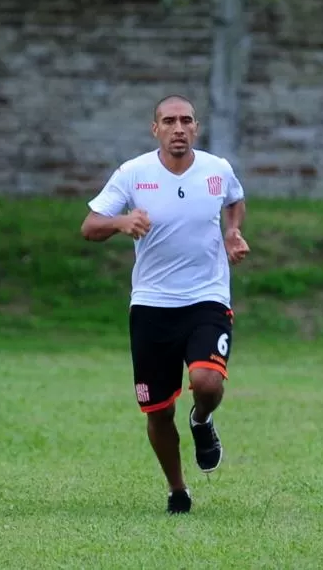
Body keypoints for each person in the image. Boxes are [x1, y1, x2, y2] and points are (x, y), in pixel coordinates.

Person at [81, 94, 250, 515]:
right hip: (152, 306)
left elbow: (234, 200)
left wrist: (233, 233)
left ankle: (202, 421)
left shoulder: (217, 170)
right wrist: (121, 222)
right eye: (169, 121)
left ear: (196, 128)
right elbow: (89, 225)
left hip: (206, 298)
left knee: (208, 382)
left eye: (186, 121)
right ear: (154, 128)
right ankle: (177, 489)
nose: (179, 128)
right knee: (158, 410)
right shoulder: (134, 173)